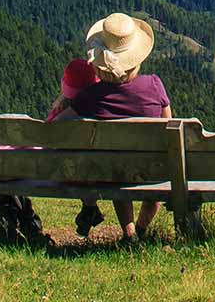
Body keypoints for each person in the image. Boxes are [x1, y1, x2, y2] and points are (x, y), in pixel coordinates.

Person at [54, 13, 172, 244]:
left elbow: (55, 129)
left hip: (112, 172)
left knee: (117, 169)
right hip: (155, 171)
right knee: (147, 169)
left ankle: (129, 234)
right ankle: (140, 230)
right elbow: (169, 126)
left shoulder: (89, 97)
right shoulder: (154, 85)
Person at [47, 59, 106, 237]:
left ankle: (90, 208)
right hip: (104, 173)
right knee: (88, 165)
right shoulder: (101, 111)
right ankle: (89, 208)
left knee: (77, 164)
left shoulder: (60, 113)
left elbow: (47, 136)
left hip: (63, 173)